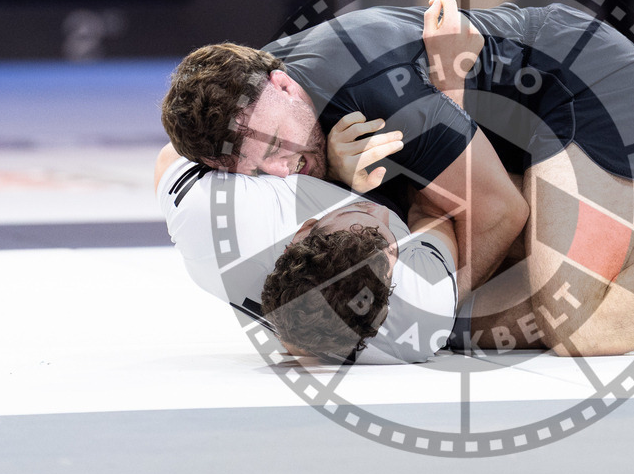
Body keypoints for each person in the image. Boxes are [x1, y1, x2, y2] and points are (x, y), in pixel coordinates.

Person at [161, 0, 634, 352]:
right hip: (499, 144)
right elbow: (170, 158)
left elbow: (494, 216)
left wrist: (431, 319)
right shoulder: (246, 104)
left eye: (273, 142)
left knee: (589, 322)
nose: (274, 167)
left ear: (286, 84)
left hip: (580, 90)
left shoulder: (363, 89)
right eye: (247, 163)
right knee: (533, 292)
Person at [154, 142, 459, 365]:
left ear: (303, 230)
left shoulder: (216, 217)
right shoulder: (424, 305)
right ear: (392, 270)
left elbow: (174, 153)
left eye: (359, 214)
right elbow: (436, 211)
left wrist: (322, 162)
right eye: (386, 239)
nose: (376, 212)